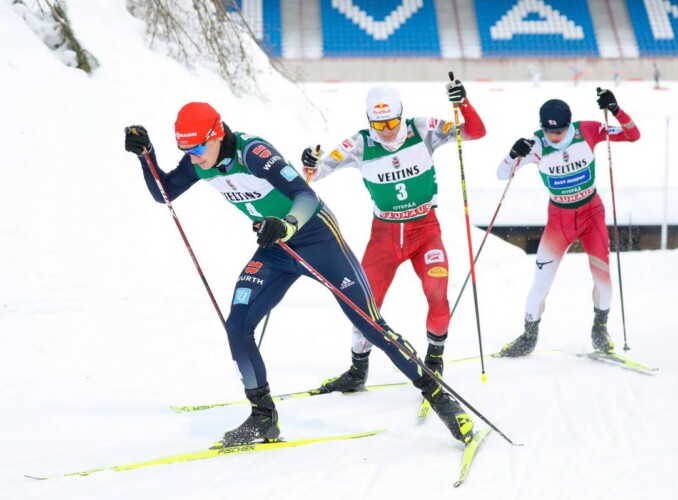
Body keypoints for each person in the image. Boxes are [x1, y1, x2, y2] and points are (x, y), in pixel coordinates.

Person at [123, 102, 474, 446]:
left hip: (314, 235)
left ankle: (441, 400)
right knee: (238, 325)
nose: (193, 155)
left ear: (217, 133)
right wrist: (147, 156)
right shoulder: (199, 162)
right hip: (276, 248)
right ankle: (263, 416)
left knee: (368, 323)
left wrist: (287, 225)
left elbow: (304, 195)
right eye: (185, 149)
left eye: (198, 146)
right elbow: (163, 193)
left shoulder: (254, 153)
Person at [300, 81, 486, 393]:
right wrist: (308, 162)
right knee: (363, 305)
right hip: (384, 236)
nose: (386, 130)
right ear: (368, 120)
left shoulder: (424, 129)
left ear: (402, 115)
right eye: (378, 124)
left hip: (425, 230)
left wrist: (463, 102)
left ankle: (435, 361)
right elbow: (315, 175)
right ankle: (358, 371)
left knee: (438, 293)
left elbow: (475, 132)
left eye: (392, 122)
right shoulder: (358, 144)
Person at [494, 89, 640, 357]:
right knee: (540, 283)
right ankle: (528, 336)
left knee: (603, 278)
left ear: (568, 125)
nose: (555, 137)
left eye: (560, 131)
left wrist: (616, 109)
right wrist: (512, 153)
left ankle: (600, 328)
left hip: (591, 214)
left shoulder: (587, 130)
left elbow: (633, 135)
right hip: (559, 220)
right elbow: (502, 174)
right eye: (550, 132)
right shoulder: (535, 144)